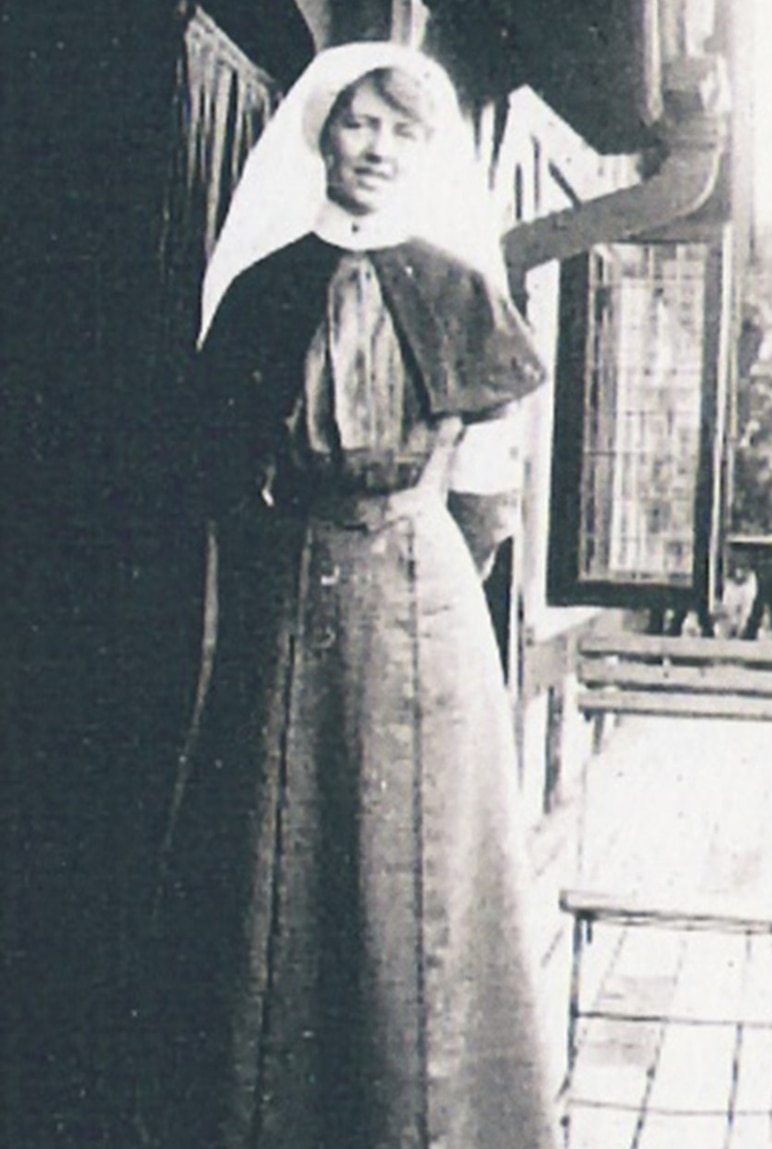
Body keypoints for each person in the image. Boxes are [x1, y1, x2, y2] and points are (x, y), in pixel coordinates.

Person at [146, 41, 557, 1149]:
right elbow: (219, 467)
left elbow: (488, 485)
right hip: (287, 601)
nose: (375, 149)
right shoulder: (267, 286)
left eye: (400, 130)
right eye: (357, 124)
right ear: (321, 134)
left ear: (426, 150)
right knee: (278, 852)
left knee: (413, 868)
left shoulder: (457, 285)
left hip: (422, 606)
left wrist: (413, 555)